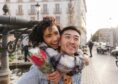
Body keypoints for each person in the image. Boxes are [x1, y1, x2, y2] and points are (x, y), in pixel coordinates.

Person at [17, 16, 89, 84]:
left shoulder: (76, 60)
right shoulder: (42, 64)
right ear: (43, 39)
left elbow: (78, 60)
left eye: (56, 33)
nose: (55, 39)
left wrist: (63, 71)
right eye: (49, 36)